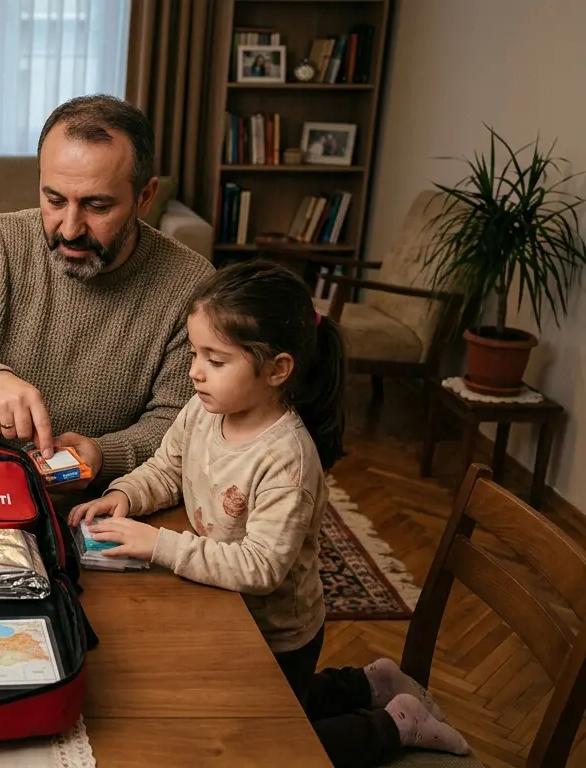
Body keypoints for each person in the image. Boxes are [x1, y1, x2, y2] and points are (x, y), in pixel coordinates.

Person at [70, 260, 469, 768]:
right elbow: (167, 469)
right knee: (279, 708)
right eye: (195, 353)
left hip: (277, 631)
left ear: (277, 369)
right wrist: (126, 494)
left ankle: (395, 724)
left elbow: (261, 568)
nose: (194, 371)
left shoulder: (288, 457)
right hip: (228, 606)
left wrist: (160, 545)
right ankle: (368, 683)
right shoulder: (201, 409)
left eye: (215, 359)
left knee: (267, 746)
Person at [0, 94, 212, 489]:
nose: (69, 228)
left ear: (145, 197)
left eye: (97, 206)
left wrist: (104, 454)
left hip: (112, 498)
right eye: (54, 200)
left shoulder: (192, 284)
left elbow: (179, 422)